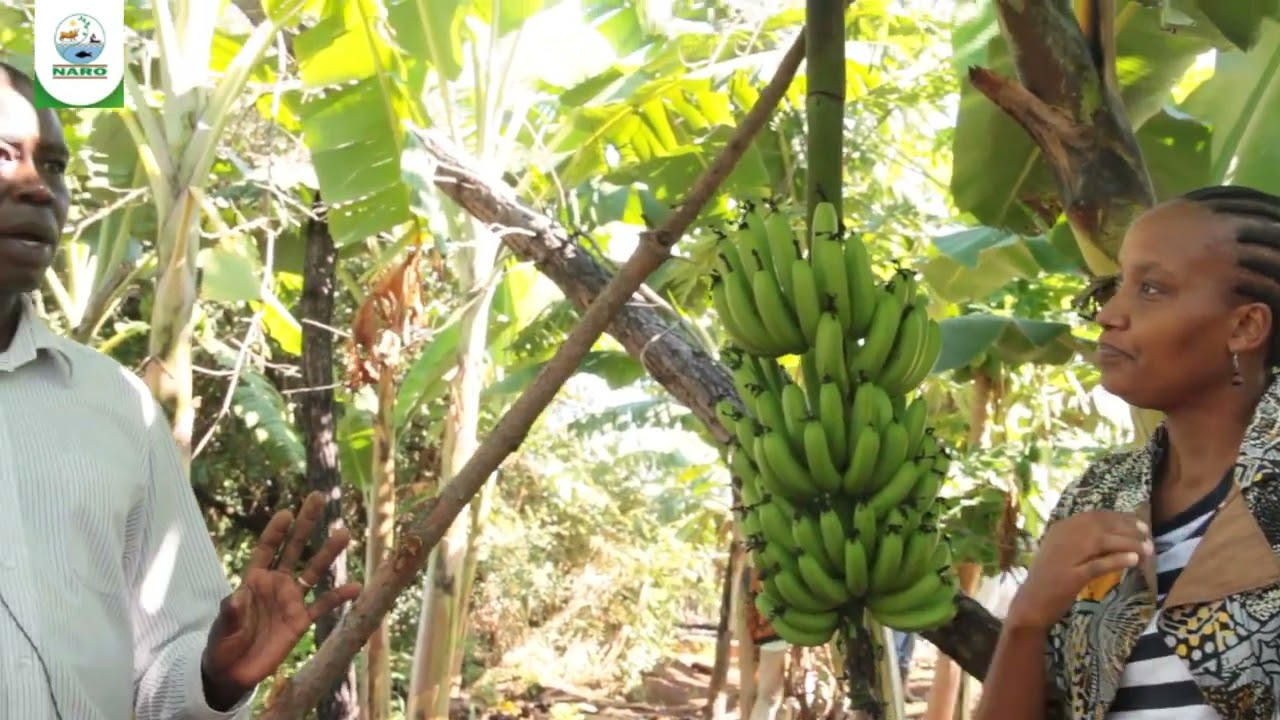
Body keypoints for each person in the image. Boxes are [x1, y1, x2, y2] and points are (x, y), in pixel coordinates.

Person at [0, 63, 361, 717]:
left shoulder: (115, 406)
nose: (37, 188)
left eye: (53, 166)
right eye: (5, 155)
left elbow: (165, 668)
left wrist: (213, 677)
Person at [974, 184, 1280, 720]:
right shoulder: (1096, 498)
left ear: (1244, 327)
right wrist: (1027, 617)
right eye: (1117, 286)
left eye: (1152, 289)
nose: (1109, 314)